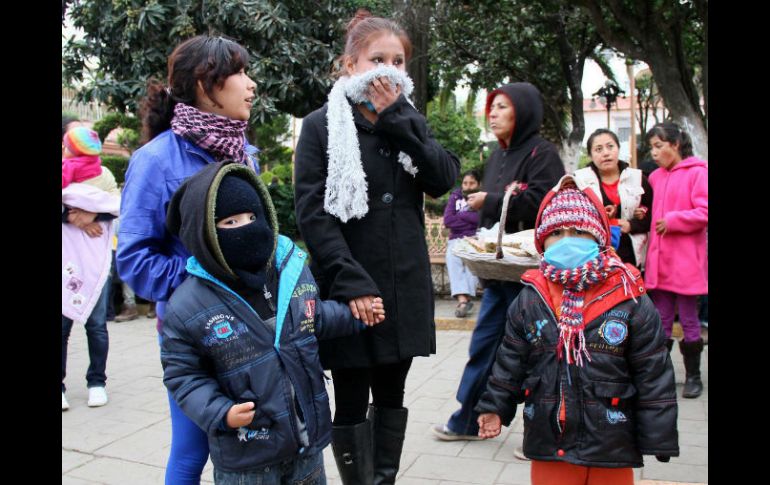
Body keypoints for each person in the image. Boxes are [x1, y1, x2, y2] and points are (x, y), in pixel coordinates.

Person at [293, 10, 460, 484]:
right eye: (376, 59)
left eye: (398, 60)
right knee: (349, 399)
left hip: (403, 287)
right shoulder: (322, 126)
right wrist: (351, 286)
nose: (388, 69)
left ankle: (382, 479)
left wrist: (399, 117)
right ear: (350, 65)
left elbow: (442, 178)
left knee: (391, 394)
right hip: (350, 287)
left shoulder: (407, 119)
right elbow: (313, 214)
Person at [162, 161, 384, 485]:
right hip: (246, 458)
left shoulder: (289, 270)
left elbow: (314, 317)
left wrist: (355, 315)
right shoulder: (187, 305)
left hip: (307, 446)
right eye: (231, 222)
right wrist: (220, 412)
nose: (247, 228)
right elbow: (183, 375)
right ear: (205, 233)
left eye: (252, 218)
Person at [116, 35, 260, 484]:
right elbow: (135, 260)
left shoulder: (244, 153)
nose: (252, 85)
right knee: (192, 450)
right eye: (240, 73)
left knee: (258, 442)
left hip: (252, 323)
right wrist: (203, 276)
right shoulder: (154, 161)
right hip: (193, 337)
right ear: (206, 83)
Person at [475, 175, 679, 485]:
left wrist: (659, 433)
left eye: (579, 231)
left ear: (599, 238)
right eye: (556, 232)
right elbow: (510, 361)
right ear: (542, 241)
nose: (567, 239)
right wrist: (494, 407)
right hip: (549, 439)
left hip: (612, 442)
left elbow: (653, 370)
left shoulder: (629, 295)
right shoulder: (531, 297)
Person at [433, 82, 564, 442]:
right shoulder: (496, 155)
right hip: (498, 273)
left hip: (533, 277)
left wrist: (489, 200)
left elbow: (543, 203)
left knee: (538, 354)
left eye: (503, 107)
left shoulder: (542, 153)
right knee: (485, 345)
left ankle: (543, 434)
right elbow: (495, 212)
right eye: (492, 107)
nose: (493, 113)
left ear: (523, 112)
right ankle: (467, 419)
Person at [644, 122, 708, 399]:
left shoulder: (698, 173)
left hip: (685, 261)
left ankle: (693, 376)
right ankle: (661, 376)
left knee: (690, 318)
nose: (655, 153)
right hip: (660, 262)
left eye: (659, 146)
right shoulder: (655, 177)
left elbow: (704, 211)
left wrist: (673, 220)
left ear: (675, 145)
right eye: (652, 148)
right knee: (662, 319)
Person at [62, 123, 120, 411]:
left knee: (97, 326)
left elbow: (119, 205)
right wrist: (71, 217)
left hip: (97, 263)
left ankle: (97, 382)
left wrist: (92, 214)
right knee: (62, 327)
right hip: (66, 263)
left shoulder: (104, 175)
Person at [573, 128, 653, 268]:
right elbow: (570, 217)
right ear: (591, 155)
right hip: (593, 257)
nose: (606, 153)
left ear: (618, 148)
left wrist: (632, 225)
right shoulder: (578, 181)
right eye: (598, 149)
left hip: (632, 255)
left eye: (610, 147)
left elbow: (653, 215)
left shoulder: (638, 178)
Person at [443, 169, 481, 318]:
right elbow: (448, 220)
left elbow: (480, 220)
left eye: (472, 183)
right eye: (465, 183)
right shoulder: (455, 197)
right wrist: (469, 217)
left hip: (475, 238)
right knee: (453, 260)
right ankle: (463, 300)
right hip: (456, 239)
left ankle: (464, 302)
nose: (468, 186)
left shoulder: (481, 198)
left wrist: (460, 216)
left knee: (473, 264)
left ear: (478, 184)